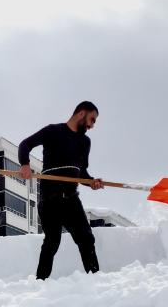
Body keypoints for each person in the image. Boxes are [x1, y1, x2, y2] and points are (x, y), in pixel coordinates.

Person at [17, 101, 105, 280]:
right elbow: (25, 144)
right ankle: (40, 282)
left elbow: (82, 173)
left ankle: (96, 279)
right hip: (50, 199)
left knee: (86, 238)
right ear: (81, 113)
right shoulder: (53, 131)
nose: (92, 125)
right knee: (52, 241)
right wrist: (25, 164)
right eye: (92, 119)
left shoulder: (85, 142)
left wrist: (91, 182)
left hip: (71, 200)